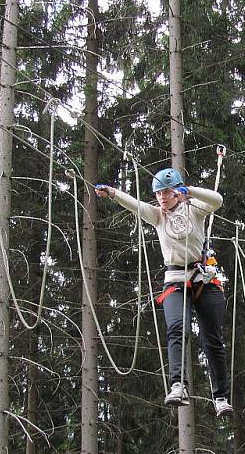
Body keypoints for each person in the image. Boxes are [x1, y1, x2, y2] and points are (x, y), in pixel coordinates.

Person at [95, 167, 233, 417]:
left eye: (167, 193)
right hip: (175, 280)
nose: (162, 198)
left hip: (203, 278)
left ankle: (220, 397)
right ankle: (178, 385)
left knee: (212, 339)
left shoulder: (195, 210)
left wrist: (189, 191)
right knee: (176, 329)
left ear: (178, 193)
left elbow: (217, 200)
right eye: (159, 193)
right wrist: (113, 193)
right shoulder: (158, 216)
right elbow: (136, 205)